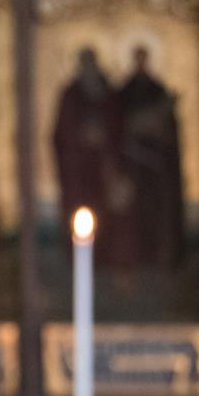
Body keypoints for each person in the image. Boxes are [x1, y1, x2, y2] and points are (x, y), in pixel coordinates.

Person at [51, 47, 129, 260]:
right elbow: (60, 134)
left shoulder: (108, 93)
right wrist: (80, 138)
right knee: (79, 214)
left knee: (107, 218)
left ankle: (108, 259)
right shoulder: (71, 94)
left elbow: (119, 127)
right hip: (78, 172)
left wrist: (103, 137)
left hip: (104, 169)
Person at [116, 45, 185, 268]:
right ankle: (133, 259)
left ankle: (157, 257)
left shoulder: (157, 90)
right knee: (133, 216)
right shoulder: (124, 93)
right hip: (133, 164)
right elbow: (116, 126)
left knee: (156, 212)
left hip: (155, 166)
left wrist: (159, 125)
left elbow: (169, 130)